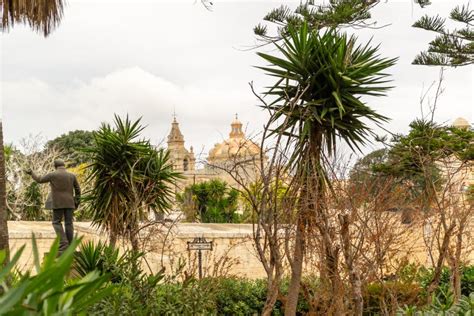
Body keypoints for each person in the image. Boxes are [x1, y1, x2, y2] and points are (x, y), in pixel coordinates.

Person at [26, 159, 81, 252]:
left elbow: (39, 179)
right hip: (70, 203)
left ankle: (63, 243)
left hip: (58, 203)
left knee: (56, 222)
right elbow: (78, 189)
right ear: (64, 165)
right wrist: (76, 202)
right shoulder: (72, 175)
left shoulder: (53, 175)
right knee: (69, 223)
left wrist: (31, 173)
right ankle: (70, 245)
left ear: (55, 166)